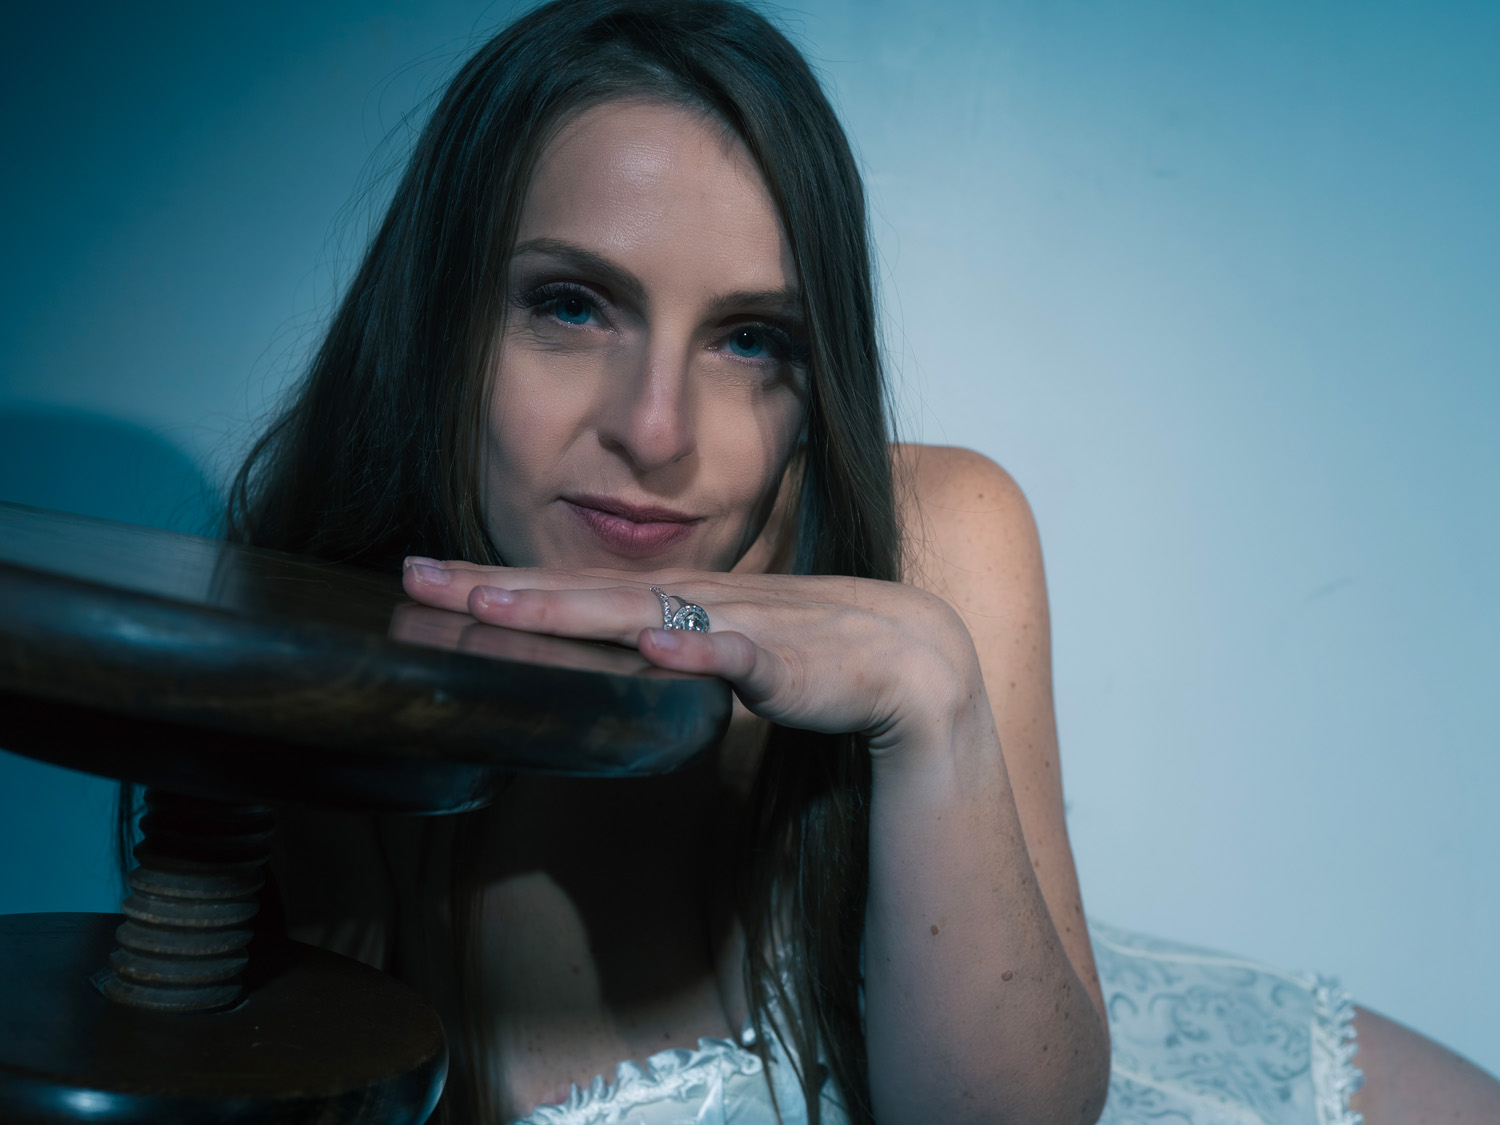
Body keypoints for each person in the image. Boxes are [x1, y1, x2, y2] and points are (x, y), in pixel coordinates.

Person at [224, 1, 1500, 1121]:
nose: (656, 430)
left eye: (750, 340)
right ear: (440, 320)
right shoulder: (299, 647)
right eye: (571, 306)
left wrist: (932, 696)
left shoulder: (932, 532)